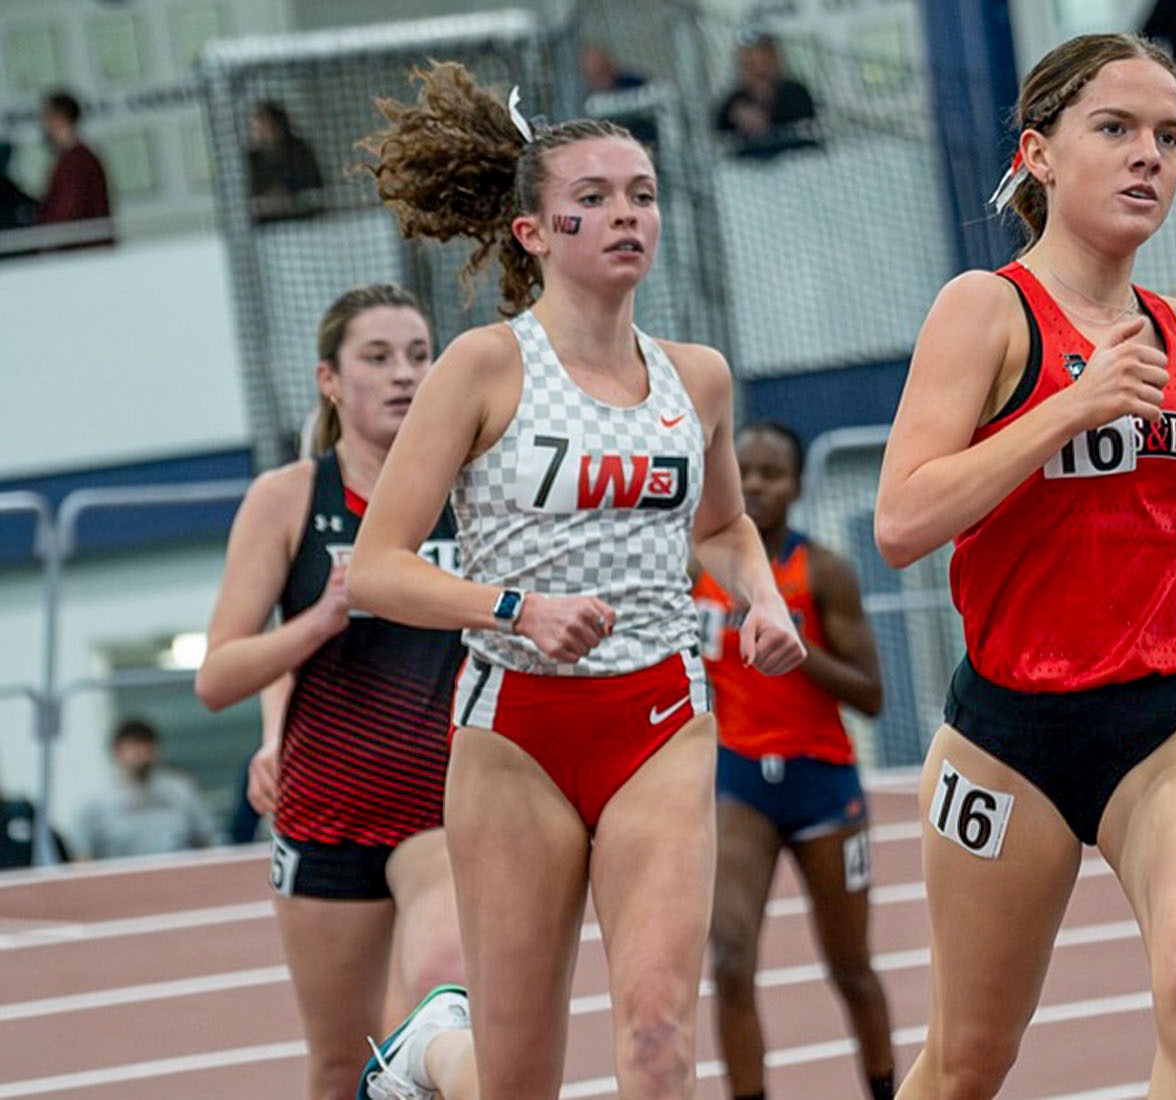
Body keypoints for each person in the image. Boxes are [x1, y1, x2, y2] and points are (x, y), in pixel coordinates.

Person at [873, 33, 1176, 1098]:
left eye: (1168, 136)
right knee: (966, 1060)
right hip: (1009, 736)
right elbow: (900, 520)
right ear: (1038, 154)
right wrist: (1067, 408)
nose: (1148, 158)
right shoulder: (983, 312)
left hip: (1167, 716)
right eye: (1116, 129)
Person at [348, 62, 805, 1100]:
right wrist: (515, 607)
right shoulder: (482, 367)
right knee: (517, 1080)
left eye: (640, 194)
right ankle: (429, 1047)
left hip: (660, 717)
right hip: (514, 732)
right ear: (534, 233)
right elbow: (377, 569)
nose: (624, 215)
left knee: (655, 1044)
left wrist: (761, 596)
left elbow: (723, 524)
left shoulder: (698, 376)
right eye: (591, 200)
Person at [194, 284, 466, 1100]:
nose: (404, 375)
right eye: (377, 358)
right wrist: (321, 618)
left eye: (420, 357)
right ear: (329, 380)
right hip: (327, 813)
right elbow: (218, 677)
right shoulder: (288, 498)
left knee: (443, 995)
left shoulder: (472, 488)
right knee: (340, 1064)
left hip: (447, 802)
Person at [694, 421, 897, 1100]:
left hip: (822, 785)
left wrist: (797, 644)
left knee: (851, 969)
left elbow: (872, 695)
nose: (755, 485)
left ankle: (885, 1088)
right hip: (739, 783)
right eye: (743, 471)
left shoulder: (824, 572)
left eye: (771, 473)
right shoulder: (700, 572)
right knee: (728, 963)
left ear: (799, 485)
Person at [74, 719, 219, 859]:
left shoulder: (180, 791)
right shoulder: (94, 802)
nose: (143, 753)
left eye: (148, 745)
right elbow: (82, 858)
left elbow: (208, 841)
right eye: (135, 745)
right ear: (117, 751)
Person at [713, 33, 821, 161]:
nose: (756, 72)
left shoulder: (794, 91)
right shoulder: (735, 102)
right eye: (749, 66)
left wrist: (767, 110)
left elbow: (802, 118)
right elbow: (719, 130)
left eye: (763, 64)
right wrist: (736, 116)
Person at [35, 89, 113, 248]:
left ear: (58, 119)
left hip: (84, 253)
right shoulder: (78, 158)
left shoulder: (77, 162)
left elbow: (68, 211)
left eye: (47, 119)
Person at [248, 100, 326, 223]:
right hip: (266, 226)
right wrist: (266, 202)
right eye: (257, 128)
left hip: (303, 220)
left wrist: (288, 195)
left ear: (279, 126)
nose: (260, 133)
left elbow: (316, 187)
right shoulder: (252, 159)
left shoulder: (300, 152)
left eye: (266, 127)